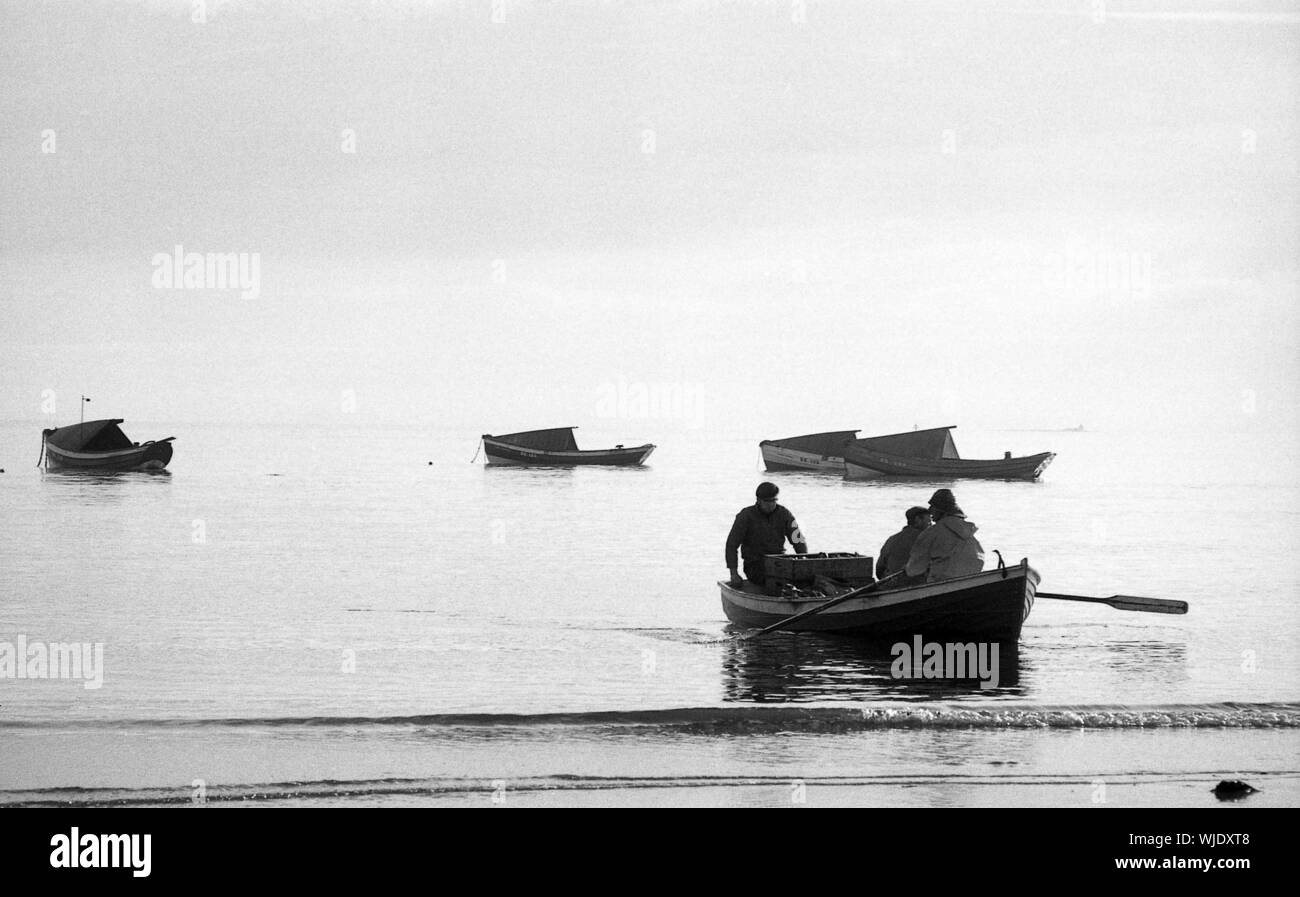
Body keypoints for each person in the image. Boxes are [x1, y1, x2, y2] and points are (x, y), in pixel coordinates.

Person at [726, 482, 808, 588]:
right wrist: (734, 573)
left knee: (805, 581)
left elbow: (798, 541)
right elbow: (731, 545)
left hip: (779, 561)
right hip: (755, 564)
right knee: (773, 581)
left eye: (774, 500)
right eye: (767, 501)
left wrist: (803, 562)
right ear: (759, 500)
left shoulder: (784, 514)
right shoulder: (746, 516)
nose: (771, 504)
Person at [903, 488, 985, 583]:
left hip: (940, 584)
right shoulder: (970, 534)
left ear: (941, 511)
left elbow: (914, 570)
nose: (930, 511)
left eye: (932, 507)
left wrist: (907, 569)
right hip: (971, 582)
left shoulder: (932, 533)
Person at [876, 506, 931, 580]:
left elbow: (879, 569)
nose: (930, 525)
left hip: (890, 584)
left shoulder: (891, 540)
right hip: (918, 584)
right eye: (928, 522)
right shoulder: (927, 539)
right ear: (917, 520)